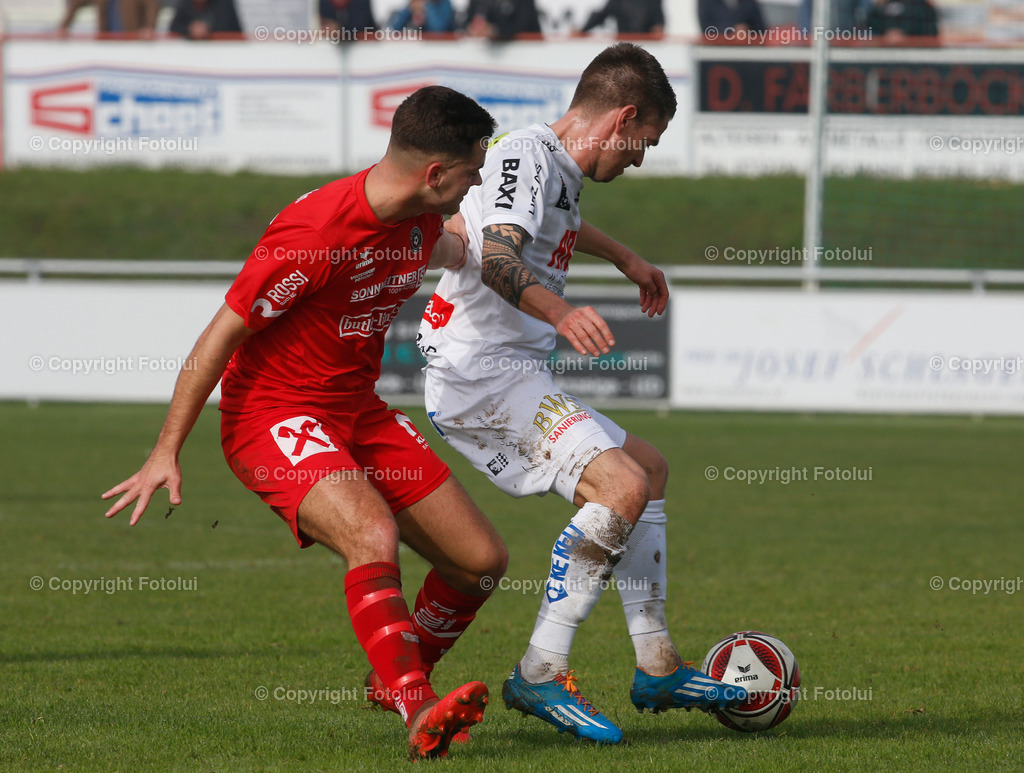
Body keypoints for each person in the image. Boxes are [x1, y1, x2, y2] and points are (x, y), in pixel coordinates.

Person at [102, 86, 506, 760]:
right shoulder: (316, 233)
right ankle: (415, 701)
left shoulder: (425, 221)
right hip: (272, 413)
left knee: (480, 562)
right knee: (371, 532)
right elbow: (219, 336)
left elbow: (465, 247)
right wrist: (165, 449)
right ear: (435, 174)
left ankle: (399, 678)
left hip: (358, 412)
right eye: (473, 169)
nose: (480, 180)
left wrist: (548, 262)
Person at [413, 43, 746, 744]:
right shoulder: (524, 157)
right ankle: (539, 670)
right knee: (620, 486)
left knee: (649, 470)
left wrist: (625, 255)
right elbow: (499, 254)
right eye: (643, 143)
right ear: (623, 117)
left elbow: (552, 221)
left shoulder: (552, 165)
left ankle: (656, 662)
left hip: (509, 370)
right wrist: (562, 313)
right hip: (479, 374)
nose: (640, 160)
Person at [462, 0, 541, 40]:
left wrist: (495, 31)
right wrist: (471, 28)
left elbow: (524, 25)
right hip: (485, 58)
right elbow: (466, 21)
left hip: (528, 54)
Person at [580, 0, 665, 36]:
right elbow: (600, 16)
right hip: (624, 47)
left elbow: (658, 23)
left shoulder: (653, 1)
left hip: (646, 46)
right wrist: (582, 31)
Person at [864, 0, 938, 39]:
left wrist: (906, 36)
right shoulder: (882, 6)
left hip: (915, 53)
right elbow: (870, 26)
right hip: (885, 53)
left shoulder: (922, 6)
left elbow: (931, 31)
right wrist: (886, 34)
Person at [169, 0, 241, 39]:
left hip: (222, 50)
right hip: (191, 51)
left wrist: (207, 29)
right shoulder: (185, 3)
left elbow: (232, 28)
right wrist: (189, 29)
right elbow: (174, 26)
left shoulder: (224, 3)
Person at [698, 0, 767, 35]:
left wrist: (746, 30)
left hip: (748, 50)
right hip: (718, 51)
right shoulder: (707, 2)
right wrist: (731, 30)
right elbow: (706, 28)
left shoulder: (749, 2)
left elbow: (760, 28)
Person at [389, 0, 456, 33]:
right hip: (418, 47)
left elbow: (437, 30)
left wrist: (425, 8)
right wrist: (409, 8)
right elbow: (395, 28)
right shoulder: (415, 3)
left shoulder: (445, 3)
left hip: (441, 47)